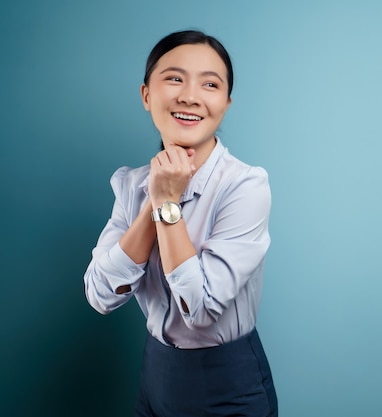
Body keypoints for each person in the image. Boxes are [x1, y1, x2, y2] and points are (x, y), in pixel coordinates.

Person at [83, 30, 278, 417]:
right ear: (146, 95)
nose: (190, 95)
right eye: (174, 78)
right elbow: (100, 295)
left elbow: (202, 310)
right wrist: (153, 200)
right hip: (155, 376)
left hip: (228, 383)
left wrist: (167, 205)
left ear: (225, 103)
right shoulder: (130, 184)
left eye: (210, 84)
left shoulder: (245, 186)